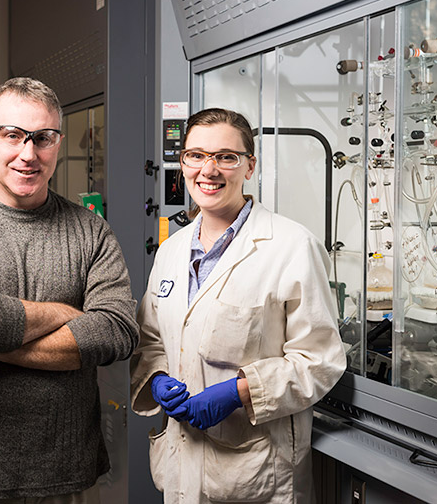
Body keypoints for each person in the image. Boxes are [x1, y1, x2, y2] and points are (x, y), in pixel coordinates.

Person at [0, 77, 139, 503]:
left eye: (43, 138)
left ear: (57, 142)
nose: (28, 154)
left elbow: (116, 331)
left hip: (61, 470)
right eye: (12, 135)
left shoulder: (91, 231)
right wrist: (66, 314)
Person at [130, 108, 346, 503]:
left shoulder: (291, 246)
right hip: (181, 466)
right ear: (183, 165)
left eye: (226, 157)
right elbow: (152, 339)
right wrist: (158, 378)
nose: (209, 170)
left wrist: (240, 392)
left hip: (256, 474)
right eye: (196, 155)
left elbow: (319, 359)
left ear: (250, 166)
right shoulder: (172, 250)